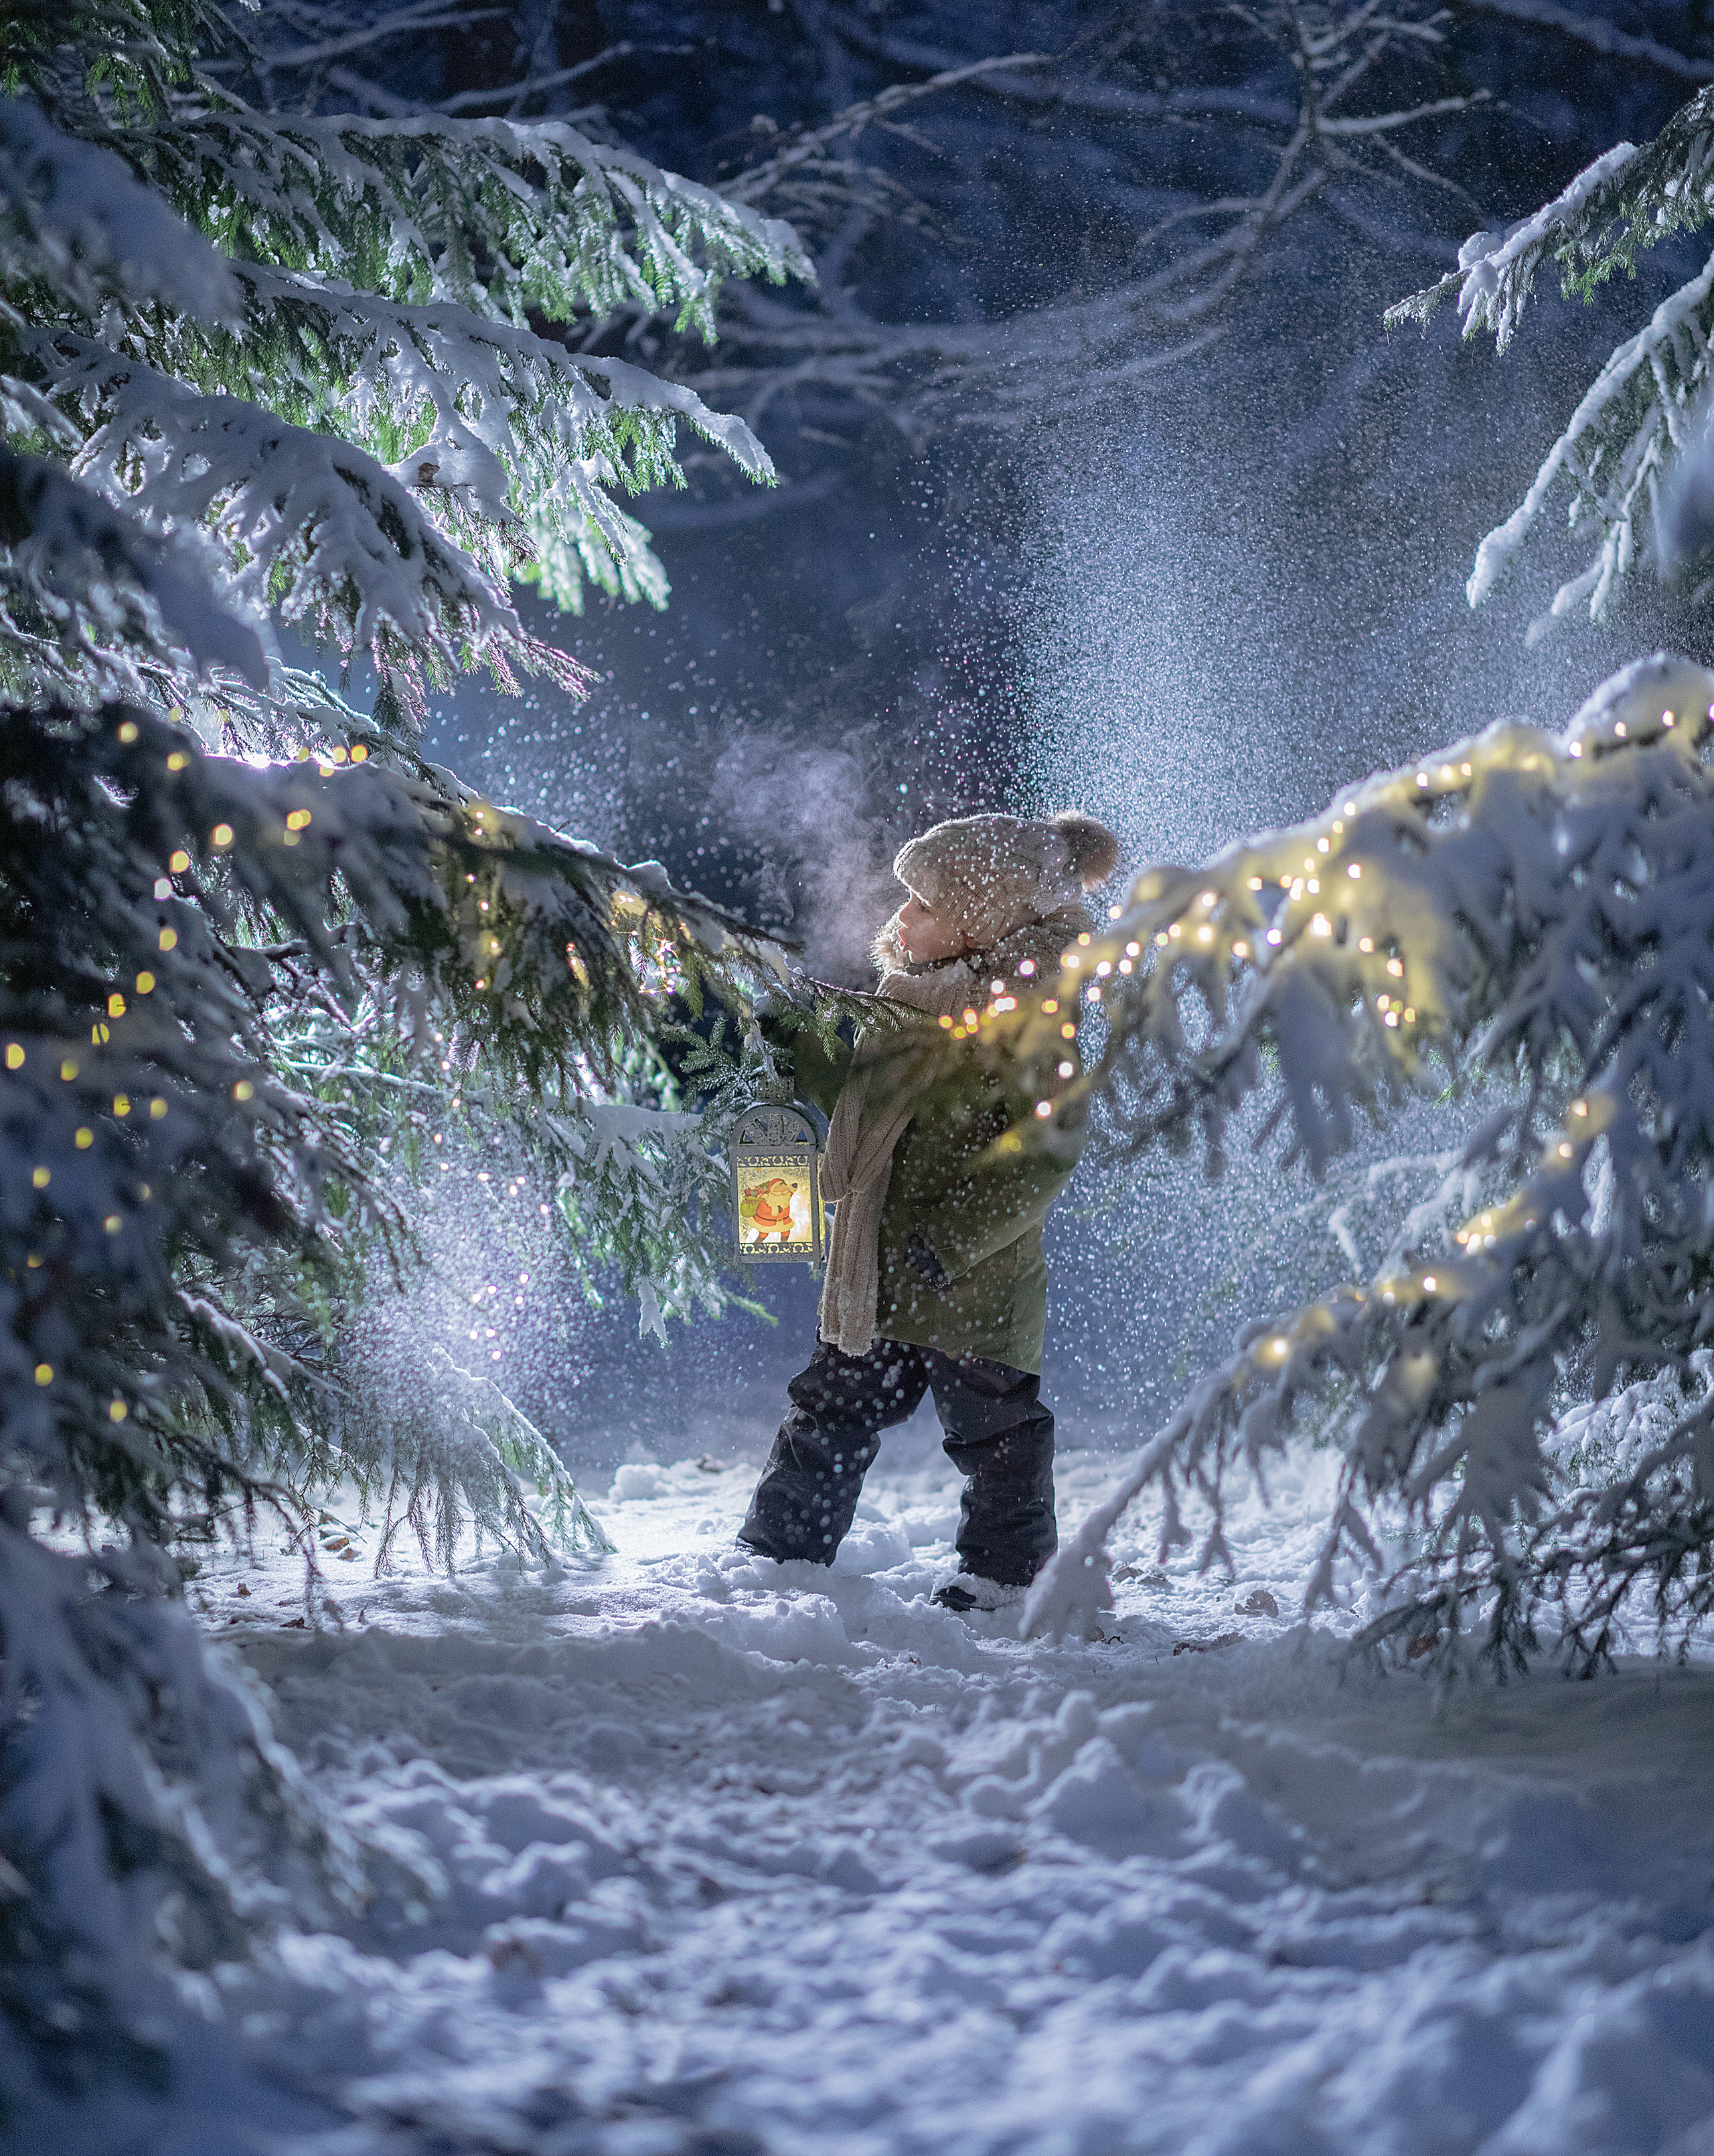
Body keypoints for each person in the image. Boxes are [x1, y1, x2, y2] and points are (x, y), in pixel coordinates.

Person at [737, 810, 1119, 1612]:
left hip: (972, 1284)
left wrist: (952, 1240)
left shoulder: (1028, 1021)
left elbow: (1044, 1150)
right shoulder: (909, 999)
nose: (901, 916)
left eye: (924, 904)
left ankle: (1006, 1578)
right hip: (877, 1273)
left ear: (983, 922)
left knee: (996, 1431)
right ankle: (782, 1554)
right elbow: (864, 1103)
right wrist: (794, 1048)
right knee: (830, 1410)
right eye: (904, 898)